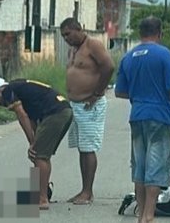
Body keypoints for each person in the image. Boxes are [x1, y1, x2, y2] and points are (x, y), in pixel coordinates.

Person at [115, 16, 170, 223]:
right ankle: (149, 216)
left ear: (140, 33)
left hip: (138, 115)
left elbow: (120, 92)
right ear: (159, 33)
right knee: (156, 165)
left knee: (139, 166)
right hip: (160, 116)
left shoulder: (129, 56)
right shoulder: (164, 55)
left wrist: (139, 93)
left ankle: (141, 213)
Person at [0, 77, 74, 210]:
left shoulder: (8, 90)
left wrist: (32, 142)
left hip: (55, 113)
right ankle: (42, 191)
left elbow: (22, 116)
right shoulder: (21, 88)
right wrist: (35, 141)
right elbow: (32, 119)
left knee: (39, 155)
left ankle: (42, 199)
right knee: (42, 154)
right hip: (64, 110)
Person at [60, 17, 115, 205]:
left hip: (90, 105)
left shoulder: (93, 45)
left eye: (68, 34)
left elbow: (109, 66)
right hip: (76, 105)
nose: (66, 38)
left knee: (89, 147)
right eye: (63, 36)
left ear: (78, 29)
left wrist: (97, 93)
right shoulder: (74, 49)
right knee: (82, 148)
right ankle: (83, 190)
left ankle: (88, 192)